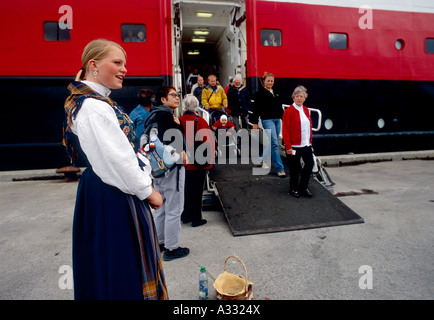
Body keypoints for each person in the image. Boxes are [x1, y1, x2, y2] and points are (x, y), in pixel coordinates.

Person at [62, 39, 167, 300]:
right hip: (113, 193)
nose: (124, 69)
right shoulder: (94, 107)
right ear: (93, 65)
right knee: (122, 265)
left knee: (107, 263)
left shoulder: (90, 101)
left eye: (125, 64)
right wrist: (148, 191)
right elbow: (117, 159)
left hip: (101, 189)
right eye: (117, 62)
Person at [150, 86, 190, 261]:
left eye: (177, 95)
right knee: (174, 208)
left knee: (161, 208)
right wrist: (179, 127)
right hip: (172, 168)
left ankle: (160, 242)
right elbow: (173, 140)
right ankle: (172, 249)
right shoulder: (166, 116)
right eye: (173, 95)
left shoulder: (152, 115)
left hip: (156, 168)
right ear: (163, 100)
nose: (177, 97)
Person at [179, 95, 215, 227]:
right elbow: (208, 142)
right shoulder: (199, 121)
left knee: (185, 191)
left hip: (183, 163)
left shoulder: (179, 120)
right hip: (197, 164)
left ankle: (185, 215)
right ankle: (196, 219)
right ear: (196, 107)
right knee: (197, 192)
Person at [250, 72, 286, 177]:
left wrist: (284, 118)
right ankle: (280, 169)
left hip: (277, 120)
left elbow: (280, 107)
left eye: (272, 81)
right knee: (275, 143)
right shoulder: (259, 93)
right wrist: (255, 123)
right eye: (268, 80)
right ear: (264, 81)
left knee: (273, 143)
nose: (270, 82)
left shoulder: (276, 92)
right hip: (267, 120)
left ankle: (261, 159)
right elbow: (256, 109)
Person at [282, 85, 314, 198]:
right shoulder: (289, 111)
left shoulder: (306, 109)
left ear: (305, 98)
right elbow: (285, 130)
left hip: (306, 144)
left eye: (301, 96)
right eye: (297, 96)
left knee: (310, 164)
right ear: (293, 98)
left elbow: (308, 127)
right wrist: (288, 146)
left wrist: (310, 141)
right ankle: (294, 188)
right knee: (294, 169)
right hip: (294, 146)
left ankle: (303, 187)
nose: (299, 98)